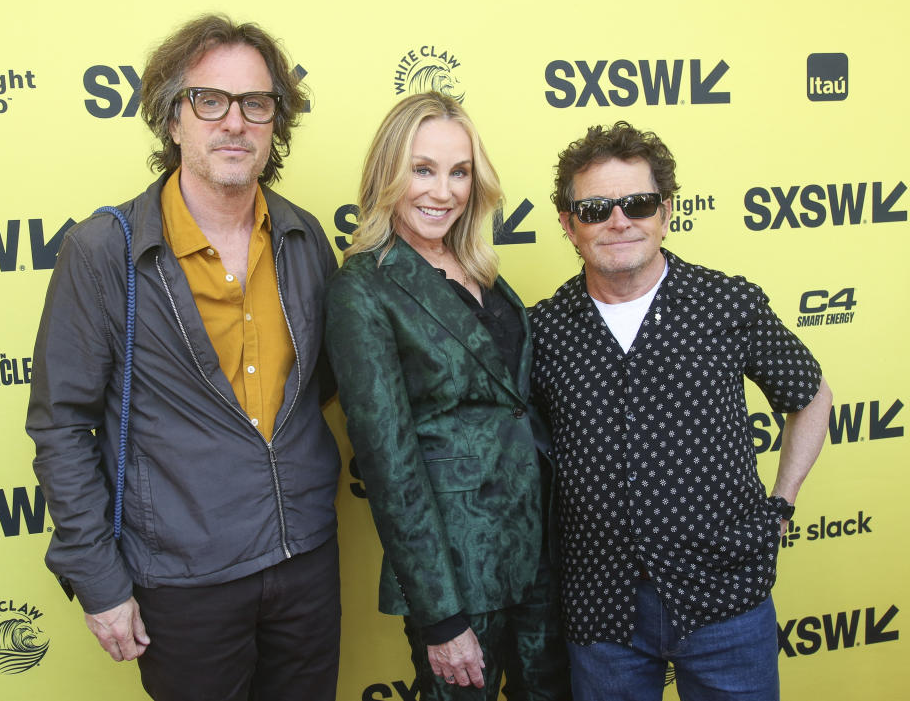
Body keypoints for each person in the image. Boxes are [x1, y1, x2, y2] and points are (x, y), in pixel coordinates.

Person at [26, 14, 341, 701]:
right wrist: (100, 580)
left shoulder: (302, 236)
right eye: (210, 100)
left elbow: (313, 388)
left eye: (256, 104)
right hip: (183, 581)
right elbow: (60, 427)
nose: (234, 122)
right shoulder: (104, 250)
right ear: (172, 119)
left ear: (275, 123)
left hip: (306, 558)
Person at [530, 121, 833, 701]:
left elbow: (810, 393)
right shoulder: (542, 330)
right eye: (595, 209)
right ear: (569, 225)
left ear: (665, 213)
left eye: (637, 203)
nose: (618, 221)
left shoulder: (726, 304)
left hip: (727, 599)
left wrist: (783, 503)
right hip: (602, 612)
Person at [325, 92, 570, 701]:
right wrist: (441, 615)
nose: (444, 191)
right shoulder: (364, 288)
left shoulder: (476, 265)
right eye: (423, 169)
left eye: (459, 172)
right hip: (459, 567)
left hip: (536, 546)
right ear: (389, 174)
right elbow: (389, 463)